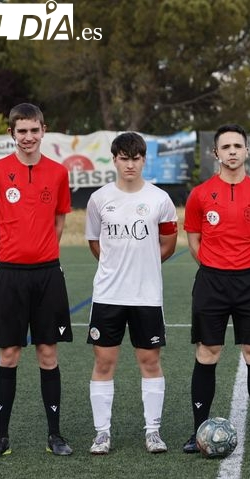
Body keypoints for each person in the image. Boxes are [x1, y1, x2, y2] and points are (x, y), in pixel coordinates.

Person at [0, 103, 74, 459]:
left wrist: (44, 250)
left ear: (43, 131)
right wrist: (4, 253)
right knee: (9, 354)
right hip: (10, 276)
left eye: (34, 130)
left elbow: (60, 219)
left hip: (48, 274)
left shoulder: (58, 173)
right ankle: (1, 438)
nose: (29, 137)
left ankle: (55, 435)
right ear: (11, 134)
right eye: (22, 131)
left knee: (48, 354)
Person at [182, 123, 250, 453]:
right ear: (216, 153)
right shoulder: (199, 194)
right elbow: (193, 238)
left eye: (238, 146)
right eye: (226, 147)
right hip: (211, 282)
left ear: (247, 151)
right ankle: (198, 432)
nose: (233, 151)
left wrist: (242, 263)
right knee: (208, 353)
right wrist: (214, 264)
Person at [84, 132, 178, 455]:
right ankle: (102, 433)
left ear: (144, 160)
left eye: (135, 158)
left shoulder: (160, 200)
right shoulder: (98, 200)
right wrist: (118, 265)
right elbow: (96, 244)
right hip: (108, 295)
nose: (130, 164)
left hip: (147, 296)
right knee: (104, 361)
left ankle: (153, 431)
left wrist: (144, 263)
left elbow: (167, 244)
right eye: (123, 158)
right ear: (114, 160)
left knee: (150, 361)